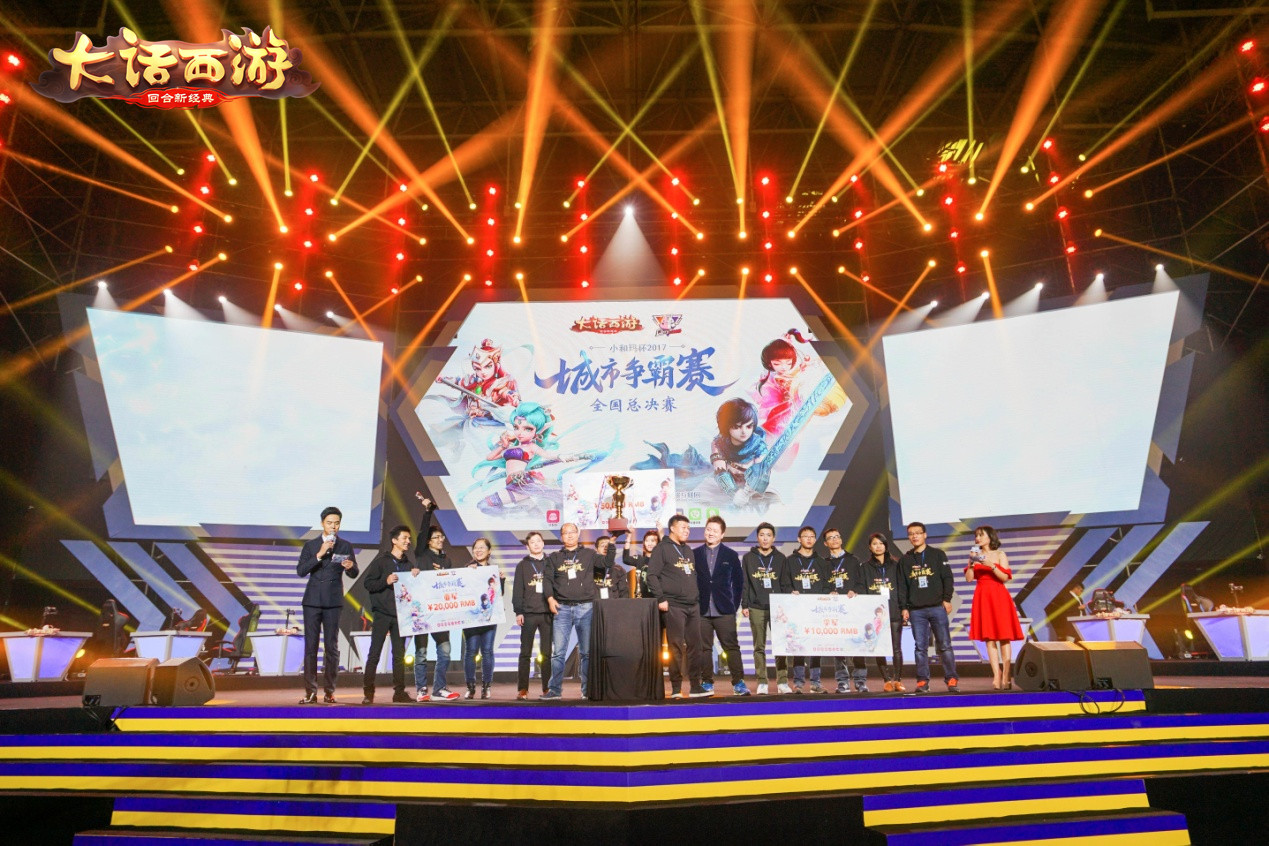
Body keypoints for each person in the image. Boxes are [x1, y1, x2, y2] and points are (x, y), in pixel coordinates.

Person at [296, 506, 359, 704]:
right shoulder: (311, 545)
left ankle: (330, 691)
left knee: (331, 647)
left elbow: (354, 572)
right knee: (311, 647)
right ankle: (310, 692)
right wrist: (320, 554)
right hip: (312, 602)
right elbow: (301, 571)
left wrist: (351, 567)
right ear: (322, 523)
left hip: (333, 601)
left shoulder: (345, 546)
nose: (333, 527)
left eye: (337, 523)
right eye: (330, 523)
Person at [541, 522, 607, 700]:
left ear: (578, 534)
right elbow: (547, 580)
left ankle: (587, 690)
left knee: (586, 653)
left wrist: (613, 542)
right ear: (561, 536)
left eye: (572, 532)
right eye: (565, 533)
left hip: (586, 608)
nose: (569, 535)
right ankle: (555, 690)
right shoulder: (554, 557)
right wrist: (550, 599)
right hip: (562, 608)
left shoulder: (589, 554)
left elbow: (606, 562)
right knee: (558, 653)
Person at [647, 514, 709, 698]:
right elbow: (652, 576)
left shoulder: (688, 550)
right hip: (673, 605)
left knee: (695, 646)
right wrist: (661, 599)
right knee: (675, 647)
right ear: (672, 528)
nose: (687, 531)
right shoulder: (661, 549)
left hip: (693, 605)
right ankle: (676, 688)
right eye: (683, 527)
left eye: (688, 528)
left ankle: (696, 686)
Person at [898, 522, 959, 693]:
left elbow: (947, 578)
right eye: (911, 533)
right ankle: (922, 681)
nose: (914, 536)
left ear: (925, 535)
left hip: (937, 607)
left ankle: (951, 678)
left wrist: (947, 599)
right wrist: (904, 607)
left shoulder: (937, 554)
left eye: (918, 533)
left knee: (945, 645)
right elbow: (902, 586)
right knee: (920, 648)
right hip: (916, 610)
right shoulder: (905, 560)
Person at [411, 494, 461, 701]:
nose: (441, 540)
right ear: (428, 541)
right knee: (421, 652)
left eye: (442, 537)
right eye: (437, 537)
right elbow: (423, 531)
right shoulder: (422, 554)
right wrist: (428, 511)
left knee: (445, 651)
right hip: (422, 610)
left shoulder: (446, 560)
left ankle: (439, 688)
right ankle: (421, 690)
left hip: (440, 612)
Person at [360, 524, 416, 704]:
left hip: (401, 615)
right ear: (394, 540)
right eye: (404, 538)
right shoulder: (381, 561)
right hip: (382, 614)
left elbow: (411, 591)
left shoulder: (408, 564)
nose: (408, 541)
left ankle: (399, 693)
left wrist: (415, 577)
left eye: (409, 539)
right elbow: (368, 584)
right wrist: (386, 581)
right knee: (374, 653)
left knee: (399, 656)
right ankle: (368, 693)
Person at [694, 515, 748, 696]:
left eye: (715, 531)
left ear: (722, 534)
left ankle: (738, 682)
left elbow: (738, 584)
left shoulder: (731, 555)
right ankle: (707, 682)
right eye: (708, 529)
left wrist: (733, 606)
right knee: (704, 648)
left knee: (731, 647)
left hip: (724, 610)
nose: (711, 533)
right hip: (702, 610)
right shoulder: (694, 554)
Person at [965, 526, 1024, 690]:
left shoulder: (1000, 554)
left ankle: (1007, 674)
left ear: (990, 537)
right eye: (976, 535)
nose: (977, 538)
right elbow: (969, 578)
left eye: (981, 535)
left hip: (998, 596)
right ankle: (996, 675)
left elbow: (1004, 577)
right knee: (989, 638)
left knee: (1004, 636)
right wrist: (971, 563)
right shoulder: (974, 555)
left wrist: (991, 565)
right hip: (982, 596)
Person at [741, 522, 790, 694]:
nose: (765, 538)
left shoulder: (781, 558)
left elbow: (785, 583)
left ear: (773, 538)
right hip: (756, 606)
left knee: (780, 645)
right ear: (757, 537)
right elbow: (745, 583)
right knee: (758, 646)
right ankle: (762, 681)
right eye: (762, 535)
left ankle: (782, 681)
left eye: (768, 535)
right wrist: (744, 604)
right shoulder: (749, 558)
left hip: (777, 607)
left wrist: (786, 606)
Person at [787, 526, 830, 694]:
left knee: (815, 647)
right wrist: (791, 592)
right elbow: (785, 583)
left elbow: (826, 584)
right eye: (805, 536)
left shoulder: (821, 562)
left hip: (816, 610)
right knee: (798, 646)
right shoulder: (790, 561)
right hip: (797, 609)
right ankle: (798, 683)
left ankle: (815, 682)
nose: (809, 539)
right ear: (799, 539)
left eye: (812, 536)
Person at [823, 527, 867, 693]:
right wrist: (829, 592)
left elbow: (861, 583)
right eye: (830, 538)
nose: (834, 540)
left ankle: (860, 680)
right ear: (825, 543)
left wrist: (854, 591)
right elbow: (822, 584)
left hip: (852, 608)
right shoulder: (824, 563)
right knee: (838, 646)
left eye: (837, 536)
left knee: (857, 644)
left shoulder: (853, 560)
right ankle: (842, 681)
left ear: (841, 540)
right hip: (834, 609)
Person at [859, 533, 905, 692]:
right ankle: (886, 680)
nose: (878, 546)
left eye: (881, 543)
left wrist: (904, 608)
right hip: (876, 616)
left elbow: (902, 588)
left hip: (894, 611)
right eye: (874, 544)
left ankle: (897, 680)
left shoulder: (896, 565)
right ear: (869, 547)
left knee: (896, 648)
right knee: (879, 648)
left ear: (886, 545)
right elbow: (863, 590)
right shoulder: (865, 568)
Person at [511, 531, 553, 700]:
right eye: (532, 542)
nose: (536, 544)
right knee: (525, 653)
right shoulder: (522, 565)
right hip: (528, 614)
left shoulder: (550, 562)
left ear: (543, 543)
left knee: (547, 653)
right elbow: (517, 590)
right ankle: (523, 689)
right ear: (527, 546)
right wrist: (518, 611)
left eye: (538, 541)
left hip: (547, 613)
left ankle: (548, 688)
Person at [461, 538, 500, 700]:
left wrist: (500, 581)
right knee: (471, 651)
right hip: (472, 618)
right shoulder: (466, 569)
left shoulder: (494, 572)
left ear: (489, 551)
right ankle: (470, 687)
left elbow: (498, 597)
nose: (478, 550)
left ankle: (486, 686)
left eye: (482, 547)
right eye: (476, 548)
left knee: (487, 651)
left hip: (489, 618)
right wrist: (467, 573)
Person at [622, 528, 661, 597]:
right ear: (644, 543)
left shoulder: (661, 560)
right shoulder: (640, 559)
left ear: (657, 543)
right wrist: (628, 538)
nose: (649, 543)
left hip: (658, 597)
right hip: (641, 597)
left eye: (652, 541)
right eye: (647, 541)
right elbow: (626, 559)